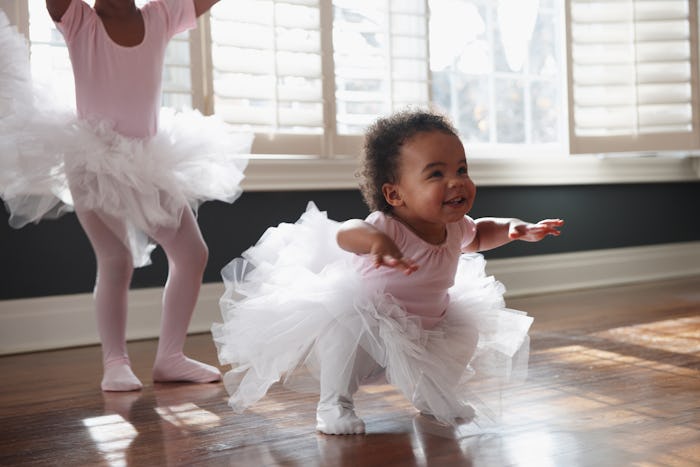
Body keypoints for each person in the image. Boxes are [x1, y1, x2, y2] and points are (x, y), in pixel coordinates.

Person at [212, 110, 563, 435]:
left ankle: (433, 395)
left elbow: (482, 233)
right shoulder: (387, 226)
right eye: (437, 174)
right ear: (395, 194)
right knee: (342, 332)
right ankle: (334, 404)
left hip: (428, 322)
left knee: (463, 336)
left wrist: (516, 228)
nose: (456, 182)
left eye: (462, 170)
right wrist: (376, 242)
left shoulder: (454, 226)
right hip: (372, 319)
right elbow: (346, 233)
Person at [0, 1, 252, 391]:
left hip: (148, 160)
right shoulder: (80, 20)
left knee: (191, 252)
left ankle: (170, 356)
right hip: (93, 160)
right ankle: (114, 362)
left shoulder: (160, 15)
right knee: (116, 258)